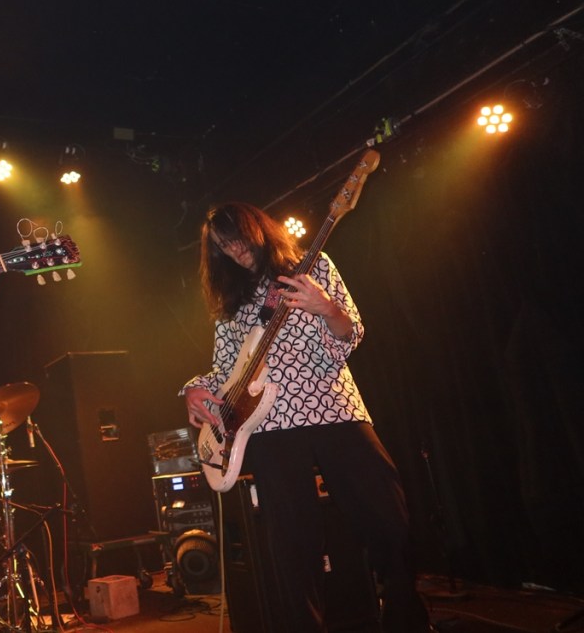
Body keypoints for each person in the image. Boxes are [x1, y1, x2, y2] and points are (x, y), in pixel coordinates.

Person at [181, 202, 431, 632]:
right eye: (223, 246)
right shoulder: (232, 301)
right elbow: (225, 370)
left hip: (333, 408)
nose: (234, 250)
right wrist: (194, 388)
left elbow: (351, 335)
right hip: (271, 425)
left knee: (389, 519)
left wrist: (326, 308)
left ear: (257, 229)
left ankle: (406, 620)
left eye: (237, 238)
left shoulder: (313, 266)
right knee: (293, 548)